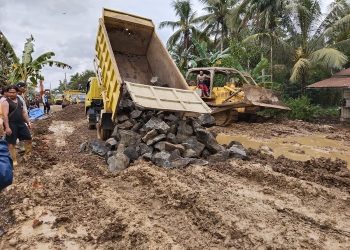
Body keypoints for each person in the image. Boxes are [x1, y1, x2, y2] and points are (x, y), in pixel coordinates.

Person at [1, 85, 32, 166]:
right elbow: (5, 116)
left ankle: (27, 155)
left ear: (17, 92)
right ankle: (14, 160)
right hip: (11, 124)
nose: (11, 94)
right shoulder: (5, 102)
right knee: (11, 143)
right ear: (7, 93)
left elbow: (23, 112)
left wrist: (28, 122)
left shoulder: (19, 100)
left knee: (28, 139)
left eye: (13, 92)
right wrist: (7, 127)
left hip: (21, 123)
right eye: (10, 92)